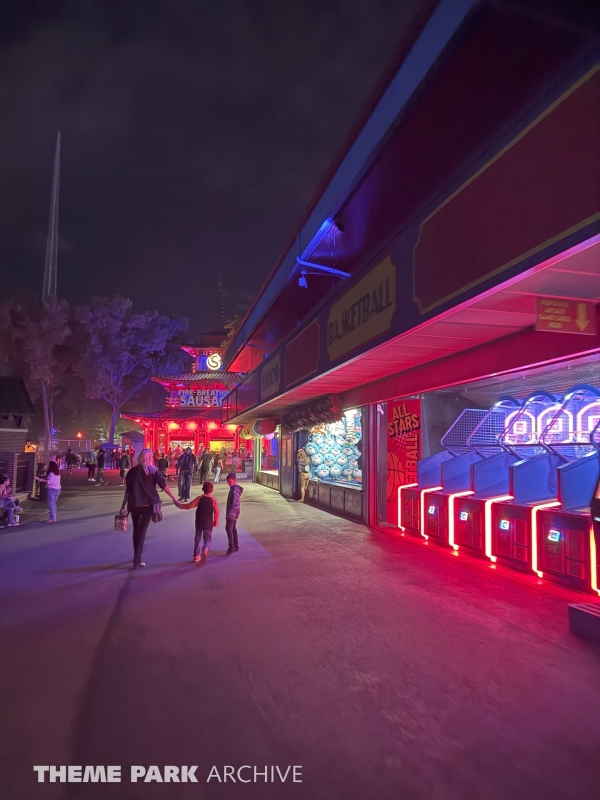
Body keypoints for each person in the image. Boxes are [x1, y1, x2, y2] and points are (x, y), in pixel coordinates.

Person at [119, 448, 179, 569]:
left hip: (135, 504)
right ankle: (137, 560)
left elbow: (128, 490)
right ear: (150, 458)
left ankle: (136, 556)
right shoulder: (154, 471)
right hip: (148, 505)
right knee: (142, 531)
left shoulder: (132, 472)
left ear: (140, 457)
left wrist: (122, 506)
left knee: (136, 530)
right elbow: (164, 485)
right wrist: (174, 498)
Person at [176, 481, 219, 565]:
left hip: (199, 522)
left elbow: (189, 506)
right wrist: (215, 521)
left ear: (203, 489)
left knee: (197, 538)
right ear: (212, 490)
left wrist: (179, 505)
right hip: (208, 523)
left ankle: (196, 555)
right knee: (208, 539)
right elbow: (217, 512)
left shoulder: (199, 498)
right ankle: (205, 548)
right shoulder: (213, 500)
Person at [225, 472, 243, 555]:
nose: (228, 483)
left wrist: (230, 514)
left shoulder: (234, 490)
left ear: (235, 480)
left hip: (232, 513)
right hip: (234, 513)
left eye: (230, 481)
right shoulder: (233, 489)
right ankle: (235, 545)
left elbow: (235, 503)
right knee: (232, 528)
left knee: (229, 528)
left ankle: (231, 546)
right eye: (228, 481)